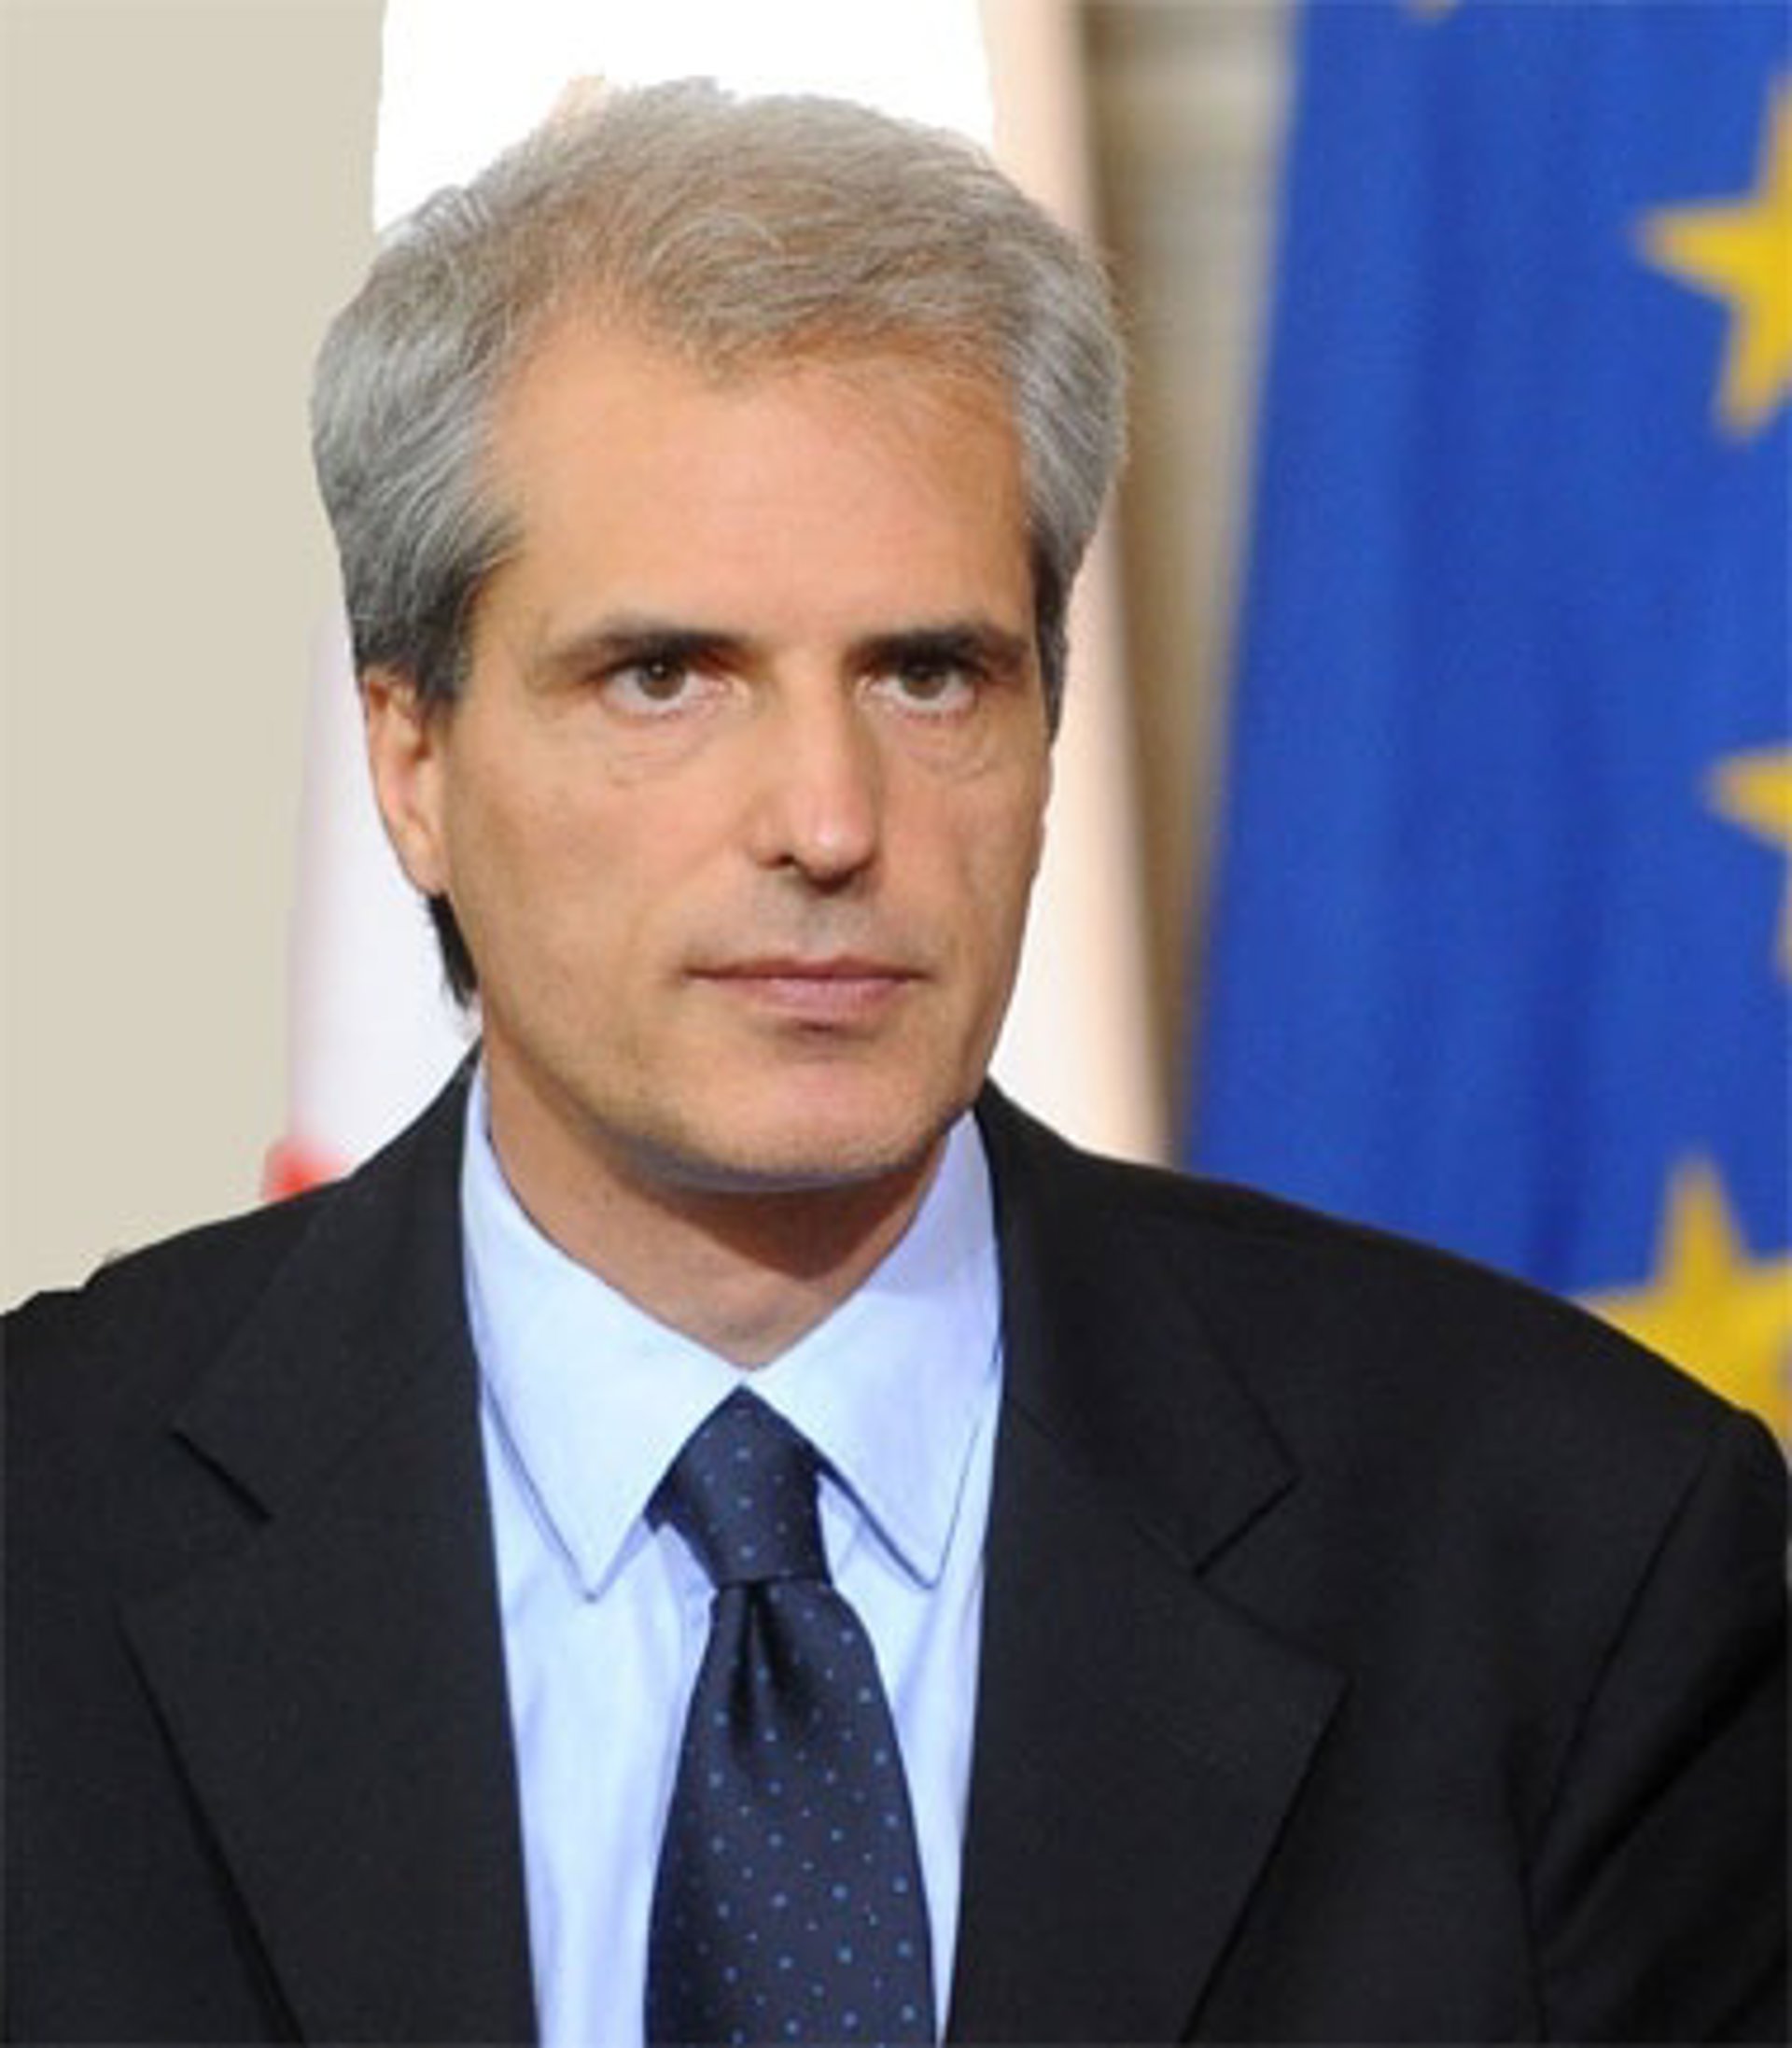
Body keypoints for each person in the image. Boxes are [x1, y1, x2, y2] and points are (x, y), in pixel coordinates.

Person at [4, 78, 1785, 2048]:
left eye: (929, 674)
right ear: (412, 761)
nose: (829, 821)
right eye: (665, 677)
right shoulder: (35, 1533)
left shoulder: (1571, 1547)